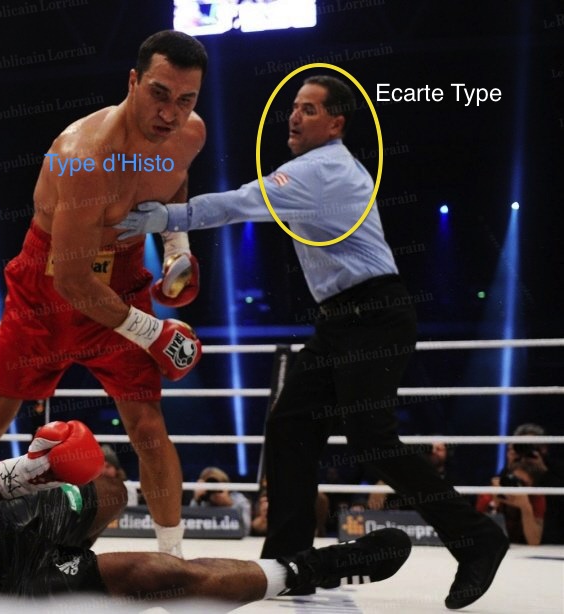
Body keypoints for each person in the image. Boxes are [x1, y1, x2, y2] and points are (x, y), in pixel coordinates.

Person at [116, 74, 508, 609]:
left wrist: (169, 218)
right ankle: (289, 561)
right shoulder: (321, 168)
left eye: (308, 109)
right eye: (294, 107)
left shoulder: (319, 170)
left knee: (371, 436)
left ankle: (476, 537)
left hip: (374, 314)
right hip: (342, 318)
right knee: (290, 426)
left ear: (336, 123)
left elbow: (239, 203)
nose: (294, 117)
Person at [0, 397, 412, 603]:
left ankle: (69, 550)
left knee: (105, 485)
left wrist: (29, 469)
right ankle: (310, 569)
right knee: (156, 573)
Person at [0, 29, 208, 558]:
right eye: (159, 94)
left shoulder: (189, 134)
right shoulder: (86, 157)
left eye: (185, 100)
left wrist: (176, 247)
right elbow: (72, 281)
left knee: (148, 427)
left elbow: (175, 182)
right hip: (49, 288)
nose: (170, 113)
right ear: (133, 82)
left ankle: (173, 559)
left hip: (123, 276)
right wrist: (153, 332)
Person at [189, 466, 253, 535]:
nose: (214, 490)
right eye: (210, 485)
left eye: (216, 484)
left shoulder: (240, 501)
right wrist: (196, 499)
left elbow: (246, 531)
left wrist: (228, 504)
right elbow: (190, 527)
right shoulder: (203, 503)